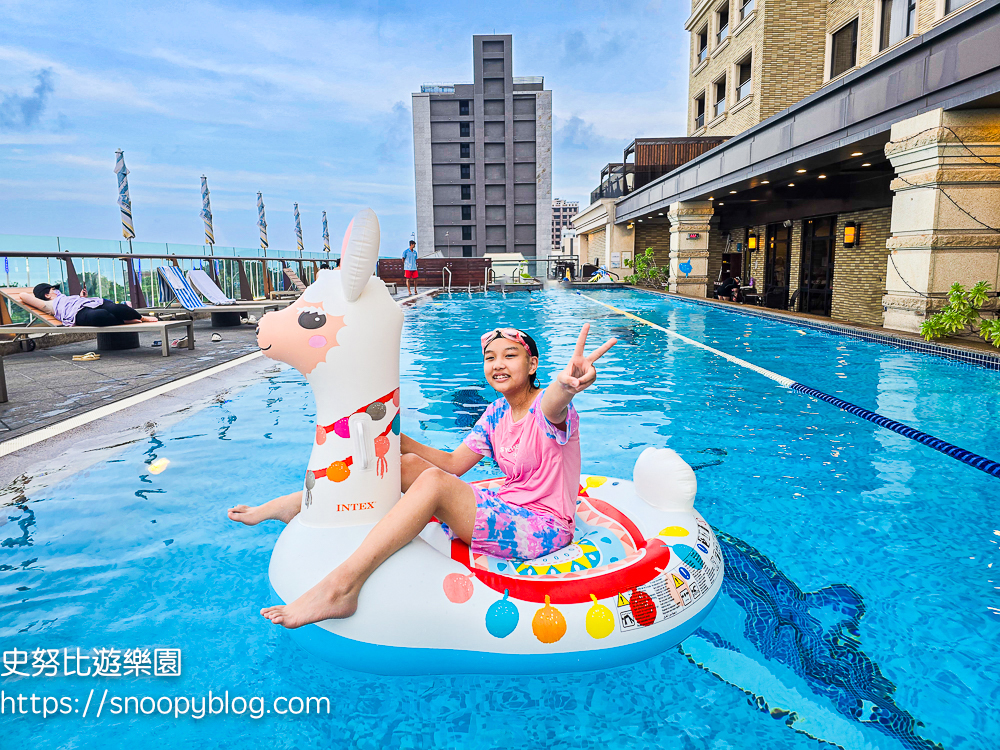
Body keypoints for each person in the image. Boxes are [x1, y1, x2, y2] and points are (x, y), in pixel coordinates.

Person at [229, 323, 616, 629]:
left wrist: (566, 387)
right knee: (413, 466)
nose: (498, 364)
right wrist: (398, 439)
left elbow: (554, 404)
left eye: (510, 355)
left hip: (543, 526)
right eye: (490, 357)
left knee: (430, 483)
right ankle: (295, 504)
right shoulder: (496, 413)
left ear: (532, 365)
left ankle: (341, 587)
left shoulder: (549, 410)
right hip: (508, 507)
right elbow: (451, 464)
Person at [20, 283, 158, 326]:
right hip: (79, 314)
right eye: (54, 290)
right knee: (99, 315)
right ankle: (123, 320)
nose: (58, 291)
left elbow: (73, 302)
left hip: (90, 303)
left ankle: (141, 317)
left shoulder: (65, 298)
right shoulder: (49, 306)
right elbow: (23, 296)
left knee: (115, 307)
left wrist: (81, 297)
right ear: (47, 295)